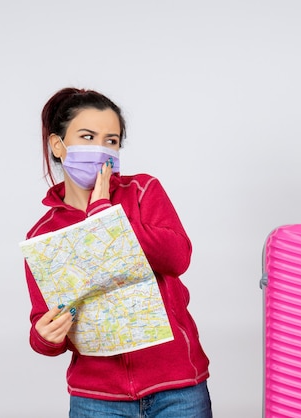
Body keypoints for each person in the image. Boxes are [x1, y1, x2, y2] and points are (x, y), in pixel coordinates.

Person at [24, 87, 212, 417]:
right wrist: (45, 337)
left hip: (177, 387)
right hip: (96, 398)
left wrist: (104, 214)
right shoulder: (44, 234)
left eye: (111, 141)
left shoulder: (142, 191)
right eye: (87, 136)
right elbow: (46, 319)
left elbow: (177, 256)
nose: (100, 149)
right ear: (58, 145)